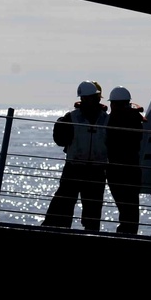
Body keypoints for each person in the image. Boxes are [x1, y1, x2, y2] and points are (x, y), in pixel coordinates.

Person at [41, 80, 110, 232]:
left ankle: (88, 233)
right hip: (76, 167)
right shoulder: (72, 118)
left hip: (95, 170)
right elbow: (60, 140)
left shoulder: (106, 119)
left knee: (92, 209)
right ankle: (57, 229)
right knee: (64, 204)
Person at [106, 86, 144, 235]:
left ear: (113, 104)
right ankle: (129, 234)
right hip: (132, 168)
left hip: (116, 169)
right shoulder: (135, 119)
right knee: (131, 207)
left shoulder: (112, 120)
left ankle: (125, 234)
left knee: (124, 206)